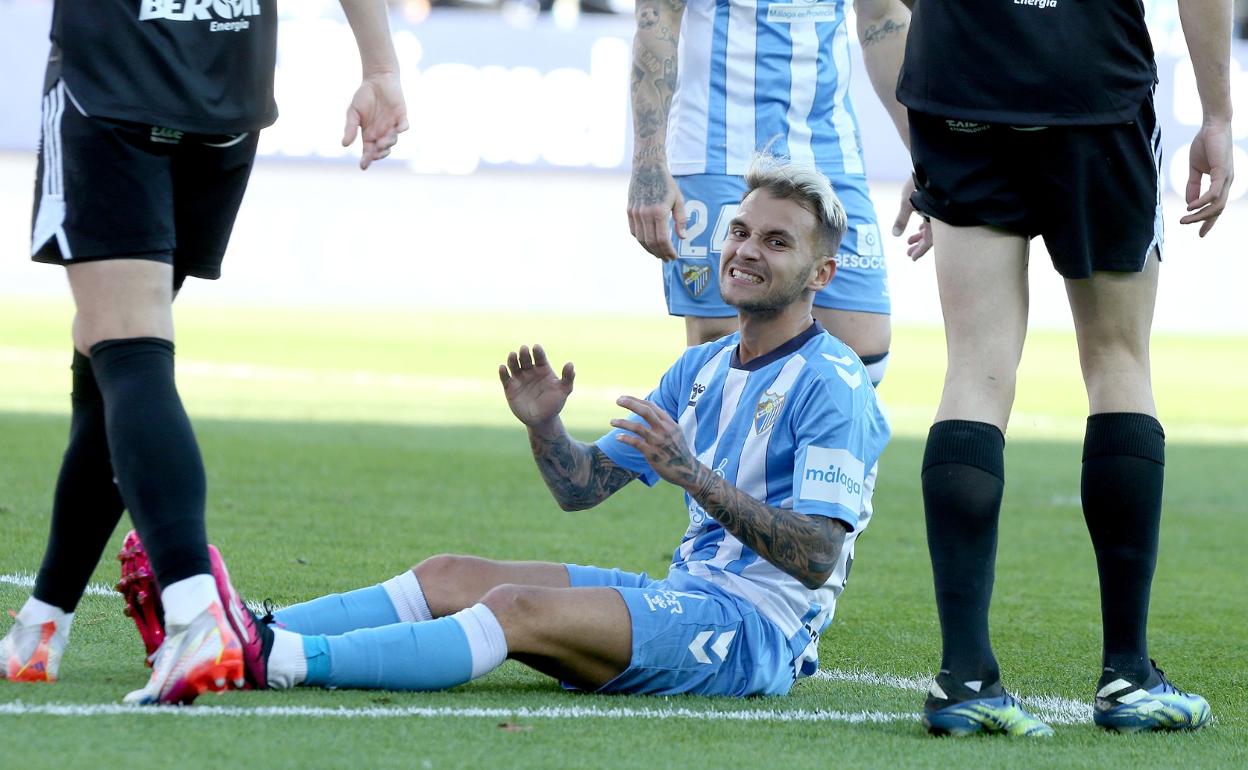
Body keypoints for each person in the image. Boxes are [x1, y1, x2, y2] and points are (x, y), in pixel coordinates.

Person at [120, 154, 891, 699]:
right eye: (741, 232)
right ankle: (234, 629)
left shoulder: (834, 385)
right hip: (691, 593)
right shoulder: (703, 368)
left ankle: (274, 659)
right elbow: (582, 489)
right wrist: (546, 431)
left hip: (754, 634)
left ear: (821, 275)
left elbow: (819, 557)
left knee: (512, 611)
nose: (746, 251)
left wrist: (694, 476)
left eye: (775, 242)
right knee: (449, 574)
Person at [1, 0, 408, 705]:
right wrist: (380, 66)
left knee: (127, 347)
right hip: (227, 87)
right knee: (110, 348)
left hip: (118, 76)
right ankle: (43, 621)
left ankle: (193, 615)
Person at [897, 0, 1234, 736]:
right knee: (1118, 359)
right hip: (1087, 73)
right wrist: (1218, 115)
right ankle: (1127, 677)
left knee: (974, 368)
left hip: (956, 71)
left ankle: (965, 679)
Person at [626, 0, 930, 385]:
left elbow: (882, 16)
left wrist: (925, 154)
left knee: (861, 356)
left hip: (827, 148)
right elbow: (658, 17)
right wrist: (649, 164)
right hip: (717, 150)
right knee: (731, 354)